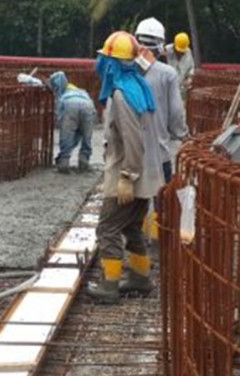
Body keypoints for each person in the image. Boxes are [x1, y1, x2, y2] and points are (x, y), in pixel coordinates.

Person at [86, 31, 163, 304]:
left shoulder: (121, 94)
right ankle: (141, 278)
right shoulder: (139, 86)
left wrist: (127, 177)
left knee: (107, 228)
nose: (100, 65)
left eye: (105, 60)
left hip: (129, 173)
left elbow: (134, 138)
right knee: (131, 226)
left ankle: (109, 286)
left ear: (113, 64)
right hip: (147, 175)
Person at [134, 18, 190, 243]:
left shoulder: (123, 70)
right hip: (159, 149)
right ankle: (156, 237)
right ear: (161, 45)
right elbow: (176, 113)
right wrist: (181, 133)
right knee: (160, 196)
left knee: (132, 196)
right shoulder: (167, 74)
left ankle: (134, 241)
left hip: (129, 150)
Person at [48, 71, 97, 173]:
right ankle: (84, 161)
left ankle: (64, 163)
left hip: (70, 105)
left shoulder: (62, 95)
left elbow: (60, 117)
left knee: (67, 135)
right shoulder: (79, 90)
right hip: (88, 105)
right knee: (86, 136)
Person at [164, 32, 196, 99]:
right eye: (179, 51)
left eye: (182, 52)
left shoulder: (188, 52)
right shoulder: (165, 52)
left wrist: (189, 79)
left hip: (182, 93)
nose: (180, 53)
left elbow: (191, 68)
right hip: (166, 93)